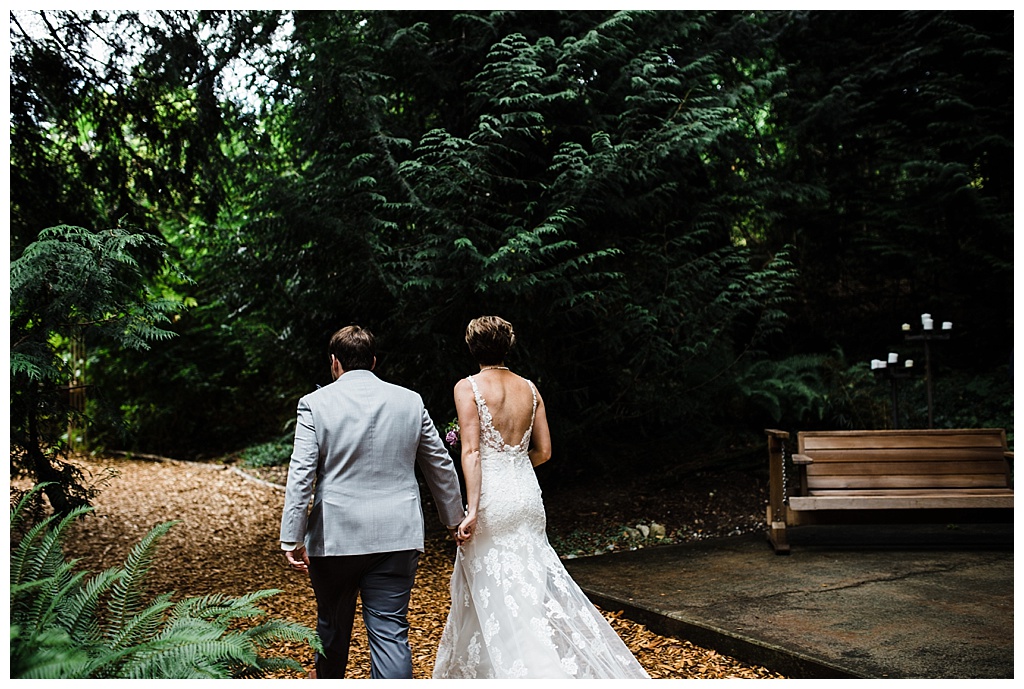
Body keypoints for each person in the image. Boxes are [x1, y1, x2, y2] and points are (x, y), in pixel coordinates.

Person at [432, 316, 650, 679]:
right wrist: (515, 463)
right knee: (528, 585)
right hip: (527, 495)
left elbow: (470, 452)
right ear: (508, 346)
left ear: (472, 348)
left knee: (493, 586)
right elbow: (545, 451)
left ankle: (527, 671)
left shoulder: (467, 387)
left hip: (492, 498)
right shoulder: (530, 389)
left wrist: (470, 510)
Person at [280, 325, 465, 679]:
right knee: (391, 632)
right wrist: (453, 518)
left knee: (331, 629)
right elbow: (438, 463)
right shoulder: (409, 400)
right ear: (374, 362)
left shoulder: (314, 405)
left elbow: (301, 472)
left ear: (334, 363)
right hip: (397, 536)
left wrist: (292, 536)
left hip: (335, 539)